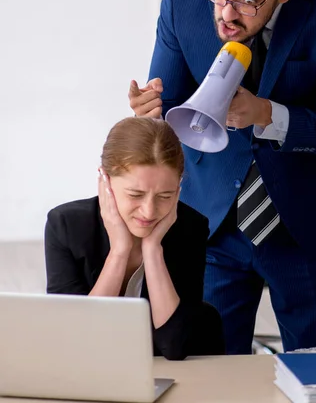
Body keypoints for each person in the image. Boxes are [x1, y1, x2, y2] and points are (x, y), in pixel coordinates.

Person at [128, 0, 316, 355]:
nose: (226, 11)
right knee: (210, 364)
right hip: (213, 217)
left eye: (248, 0)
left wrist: (264, 113)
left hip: (306, 222)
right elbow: (172, 108)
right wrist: (151, 114)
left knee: (312, 369)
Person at [44, 116, 224, 360]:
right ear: (104, 181)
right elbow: (78, 342)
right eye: (135, 194)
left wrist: (153, 251)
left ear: (179, 188)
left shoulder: (190, 228)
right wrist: (119, 251)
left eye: (165, 196)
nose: (149, 211)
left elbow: (174, 346)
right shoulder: (66, 226)